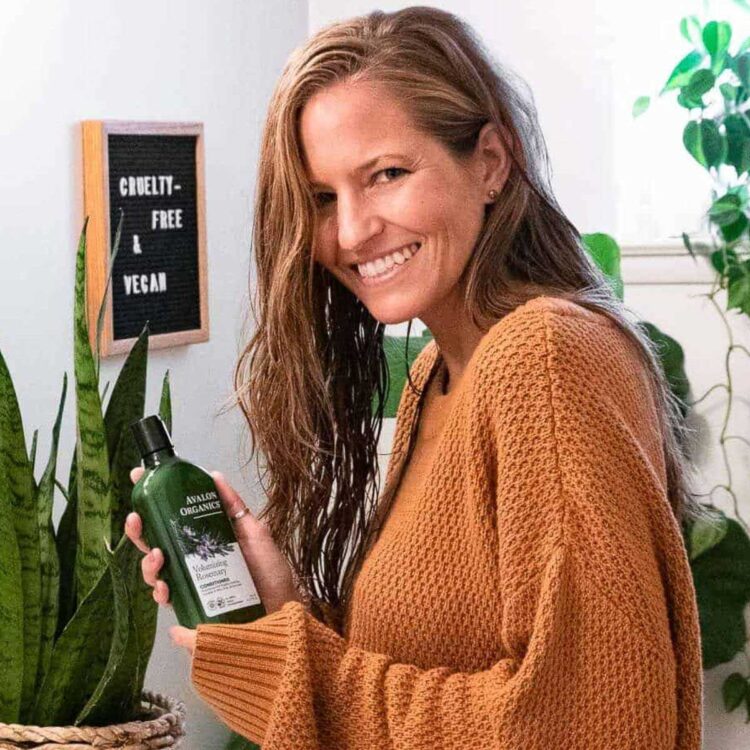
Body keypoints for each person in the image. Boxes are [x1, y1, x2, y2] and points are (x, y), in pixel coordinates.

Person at [125, 6, 705, 748]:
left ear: (491, 162)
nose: (353, 230)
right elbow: (440, 661)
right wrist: (279, 611)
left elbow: (585, 723)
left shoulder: (544, 357)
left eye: (387, 175)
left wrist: (297, 673)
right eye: (325, 198)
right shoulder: (438, 370)